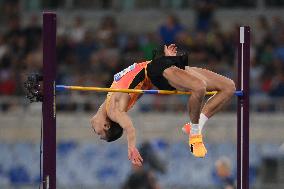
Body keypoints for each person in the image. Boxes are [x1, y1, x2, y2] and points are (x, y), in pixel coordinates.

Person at [90, 44, 235, 166]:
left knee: (229, 87)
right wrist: (131, 147)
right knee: (199, 88)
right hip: (158, 71)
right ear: (106, 125)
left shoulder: (108, 102)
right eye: (98, 133)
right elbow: (128, 126)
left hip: (160, 67)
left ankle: (196, 124)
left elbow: (138, 87)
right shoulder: (114, 110)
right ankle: (195, 133)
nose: (94, 129)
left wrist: (167, 60)